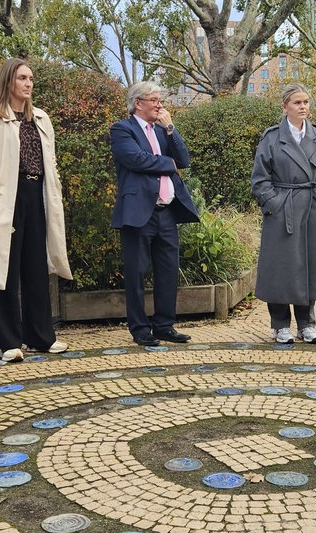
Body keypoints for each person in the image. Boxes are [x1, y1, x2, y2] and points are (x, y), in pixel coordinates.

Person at [0, 59, 72, 362]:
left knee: (36, 267)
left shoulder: (40, 117)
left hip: (36, 195)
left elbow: (49, 160)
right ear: (9, 82)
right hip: (6, 199)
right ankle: (8, 342)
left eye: (31, 78)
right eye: (22, 78)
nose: (28, 84)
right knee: (5, 269)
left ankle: (40, 336)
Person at [109, 81, 199, 346]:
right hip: (139, 212)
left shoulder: (162, 131)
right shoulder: (122, 129)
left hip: (167, 211)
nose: (160, 105)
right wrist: (167, 163)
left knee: (168, 270)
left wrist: (170, 129)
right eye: (154, 100)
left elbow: (183, 159)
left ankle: (164, 325)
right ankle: (139, 329)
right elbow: (135, 159)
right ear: (138, 103)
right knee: (136, 272)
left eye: (160, 100)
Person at [250, 84, 316, 344]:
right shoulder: (271, 138)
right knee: (280, 268)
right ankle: (280, 325)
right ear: (284, 106)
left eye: (306, 102)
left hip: (312, 209)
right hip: (282, 211)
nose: (303, 107)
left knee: (310, 266)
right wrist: (273, 205)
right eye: (297, 102)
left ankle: (307, 324)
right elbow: (260, 179)